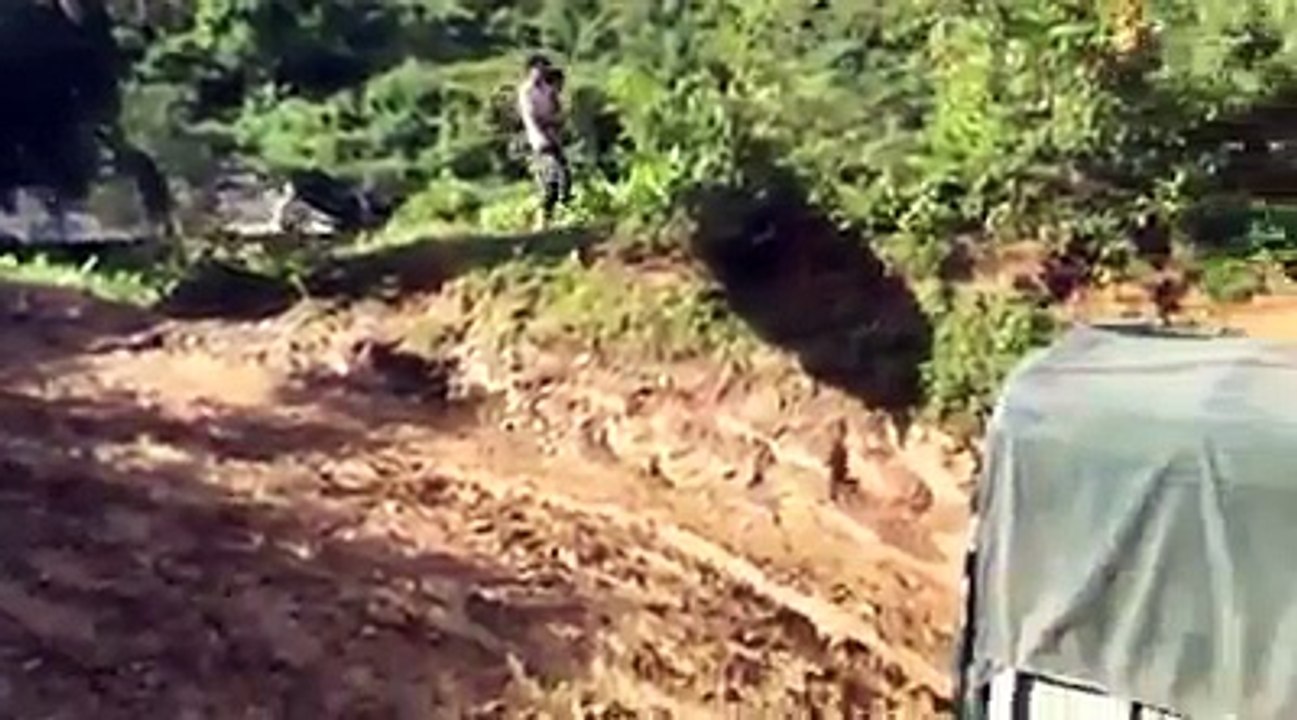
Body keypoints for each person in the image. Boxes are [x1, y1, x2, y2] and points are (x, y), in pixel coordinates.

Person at [517, 53, 572, 228]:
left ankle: (549, 218)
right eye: (537, 69)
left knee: (564, 178)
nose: (540, 72)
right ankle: (542, 220)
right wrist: (551, 121)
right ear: (530, 70)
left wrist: (557, 119)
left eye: (543, 69)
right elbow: (533, 117)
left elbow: (557, 109)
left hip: (553, 139)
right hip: (538, 141)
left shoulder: (547, 89)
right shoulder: (526, 91)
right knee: (550, 180)